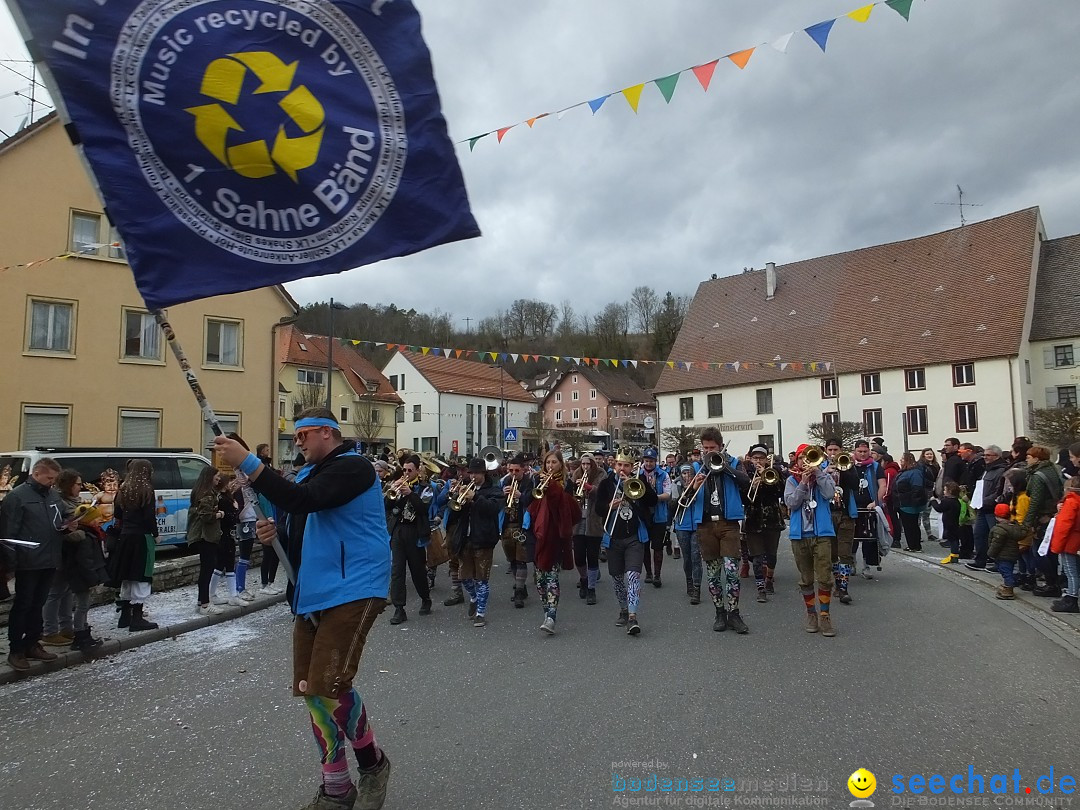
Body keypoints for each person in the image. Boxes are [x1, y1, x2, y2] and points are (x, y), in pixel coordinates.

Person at [215, 409, 392, 810]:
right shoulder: (308, 475)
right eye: (296, 437)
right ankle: (336, 787)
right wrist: (272, 535)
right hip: (313, 590)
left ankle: (373, 766)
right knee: (311, 691)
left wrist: (247, 460)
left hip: (355, 587)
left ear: (328, 434)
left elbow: (304, 501)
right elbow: (298, 524)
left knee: (328, 685)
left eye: (304, 435)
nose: (298, 442)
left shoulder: (354, 468)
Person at [1, 458, 67, 670]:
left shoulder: (53, 495)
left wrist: (70, 523)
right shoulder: (17, 497)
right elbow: (8, 533)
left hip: (49, 558)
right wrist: (10, 565)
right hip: (27, 561)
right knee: (23, 605)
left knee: (38, 603)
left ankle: (32, 643)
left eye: (54, 479)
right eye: (49, 478)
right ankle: (16, 650)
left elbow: (60, 518)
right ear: (36, 474)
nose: (52, 483)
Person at [686, 428, 751, 635]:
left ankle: (734, 613)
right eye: (705, 448)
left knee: (732, 572)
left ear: (720, 447)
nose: (707, 452)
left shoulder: (732, 463)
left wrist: (724, 467)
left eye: (712, 448)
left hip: (728, 523)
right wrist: (694, 487)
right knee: (713, 575)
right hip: (705, 524)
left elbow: (745, 482)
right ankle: (719, 613)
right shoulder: (697, 467)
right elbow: (685, 500)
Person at [40, 468, 108, 652]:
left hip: (73, 556)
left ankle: (66, 627)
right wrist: (76, 531)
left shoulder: (73, 502)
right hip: (62, 554)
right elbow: (56, 529)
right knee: (55, 593)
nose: (81, 487)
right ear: (69, 485)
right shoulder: (58, 502)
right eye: (78, 484)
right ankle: (50, 631)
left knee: (66, 592)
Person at [595, 448, 657, 635]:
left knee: (632, 576)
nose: (623, 469)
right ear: (614, 465)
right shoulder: (606, 484)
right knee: (617, 578)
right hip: (613, 536)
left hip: (635, 536)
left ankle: (632, 616)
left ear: (632, 467)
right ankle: (623, 608)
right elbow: (598, 509)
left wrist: (633, 485)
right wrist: (608, 506)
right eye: (620, 465)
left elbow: (652, 501)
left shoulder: (640, 480)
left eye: (627, 466)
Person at [524, 450, 581, 635]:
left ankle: (551, 616)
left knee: (552, 578)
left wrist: (553, 488)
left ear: (560, 464)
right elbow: (530, 502)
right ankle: (546, 612)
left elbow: (568, 509)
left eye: (554, 463)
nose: (550, 466)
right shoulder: (537, 481)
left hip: (555, 536)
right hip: (539, 534)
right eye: (547, 462)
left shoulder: (567, 483)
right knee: (540, 581)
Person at [784, 444, 838, 637]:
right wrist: (803, 484)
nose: (805, 462)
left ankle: (824, 615)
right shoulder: (791, 480)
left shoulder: (823, 477)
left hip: (822, 534)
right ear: (796, 461)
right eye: (801, 458)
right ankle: (811, 614)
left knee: (824, 577)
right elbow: (791, 503)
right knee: (806, 578)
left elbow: (830, 494)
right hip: (800, 536)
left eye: (809, 458)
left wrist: (819, 473)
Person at [447, 456, 503, 627]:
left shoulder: (493, 490)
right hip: (465, 538)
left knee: (482, 579)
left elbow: (492, 509)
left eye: (477, 473)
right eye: (471, 473)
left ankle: (480, 613)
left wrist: (475, 497)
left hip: (484, 539)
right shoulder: (464, 487)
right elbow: (454, 513)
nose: (473, 476)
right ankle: (473, 597)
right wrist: (456, 497)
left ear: (484, 473)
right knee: (464, 577)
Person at [107, 459, 160, 632]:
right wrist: (156, 534)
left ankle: (124, 616)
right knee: (141, 575)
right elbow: (148, 516)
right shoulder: (146, 490)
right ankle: (137, 618)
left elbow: (117, 513)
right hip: (141, 537)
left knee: (128, 575)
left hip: (125, 537)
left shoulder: (123, 489)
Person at [385, 455, 433, 625]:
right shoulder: (397, 484)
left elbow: (424, 509)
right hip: (398, 531)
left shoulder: (425, 488)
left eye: (410, 470)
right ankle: (399, 609)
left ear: (418, 470)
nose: (406, 473)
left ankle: (425, 598)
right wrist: (392, 491)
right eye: (404, 470)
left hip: (415, 532)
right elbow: (386, 507)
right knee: (397, 571)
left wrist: (411, 494)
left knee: (417, 570)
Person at [743, 445, 785, 603]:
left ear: (767, 459)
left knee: (771, 555)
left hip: (772, 518)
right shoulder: (746, 474)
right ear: (751, 459)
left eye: (761, 458)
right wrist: (750, 486)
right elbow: (743, 498)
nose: (758, 461)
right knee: (757, 556)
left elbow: (780, 491)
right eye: (755, 458)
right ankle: (760, 588)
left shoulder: (775, 473)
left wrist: (766, 480)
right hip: (753, 519)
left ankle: (769, 579)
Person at [1023, 446, 1065, 598]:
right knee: (1050, 551)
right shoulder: (1054, 470)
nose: (1027, 459)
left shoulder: (1038, 475)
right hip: (1053, 514)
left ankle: (1051, 584)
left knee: (1040, 552)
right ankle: (1053, 582)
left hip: (1043, 517)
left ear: (1037, 458)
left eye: (1029, 457)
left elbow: (1036, 501)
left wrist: (1028, 522)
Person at [187, 466, 226, 616]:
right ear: (209, 477)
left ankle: (200, 601)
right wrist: (219, 514)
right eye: (217, 476)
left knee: (206, 568)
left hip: (202, 536)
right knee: (207, 569)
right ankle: (205, 604)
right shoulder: (207, 494)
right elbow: (205, 515)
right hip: (205, 536)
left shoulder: (199, 491)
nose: (218, 478)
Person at [825, 438, 859, 604]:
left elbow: (855, 484)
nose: (833, 453)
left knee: (844, 553)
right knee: (831, 554)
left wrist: (843, 468)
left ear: (841, 450)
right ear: (825, 450)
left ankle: (843, 588)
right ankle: (836, 584)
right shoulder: (820, 465)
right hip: (827, 515)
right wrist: (825, 471)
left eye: (836, 450)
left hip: (845, 514)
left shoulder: (848, 465)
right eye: (830, 450)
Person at [499, 454, 534, 608]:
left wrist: (520, 496)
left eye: (516, 471)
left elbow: (533, 501)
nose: (513, 474)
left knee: (521, 559)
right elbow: (497, 503)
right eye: (511, 470)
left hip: (522, 525)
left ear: (523, 470)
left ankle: (519, 591)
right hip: (507, 525)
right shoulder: (505, 482)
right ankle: (520, 586)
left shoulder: (529, 483)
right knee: (512, 560)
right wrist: (502, 495)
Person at [571, 452, 605, 605]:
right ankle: (583, 579)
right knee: (578, 556)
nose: (585, 467)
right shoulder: (576, 474)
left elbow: (604, 493)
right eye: (583, 464)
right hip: (578, 521)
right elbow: (569, 494)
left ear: (593, 464)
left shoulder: (601, 474)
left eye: (588, 464)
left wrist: (590, 488)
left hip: (594, 520)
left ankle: (591, 588)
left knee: (592, 556)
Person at [967, 445, 1007, 572]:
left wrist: (985, 501)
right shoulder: (986, 470)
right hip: (982, 508)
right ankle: (980, 560)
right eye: (984, 455)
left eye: (988, 455)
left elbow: (998, 490)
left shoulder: (1001, 470)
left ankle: (998, 563)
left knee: (996, 537)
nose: (985, 458)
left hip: (992, 508)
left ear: (997, 456)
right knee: (979, 534)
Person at [1049, 457, 1080, 613]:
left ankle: (1072, 598)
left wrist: (1057, 545)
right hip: (1076, 541)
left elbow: (1063, 525)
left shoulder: (1071, 501)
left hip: (1070, 542)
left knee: (1071, 571)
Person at [851, 440, 886, 578]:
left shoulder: (875, 466)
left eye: (865, 452)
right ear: (855, 451)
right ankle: (851, 562)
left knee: (868, 538)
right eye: (860, 452)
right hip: (852, 506)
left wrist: (875, 502)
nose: (863, 454)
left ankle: (866, 566)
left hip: (869, 507)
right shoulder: (848, 465)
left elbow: (882, 485)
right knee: (851, 537)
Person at [638, 448, 672, 587]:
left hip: (659, 515)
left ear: (655, 461)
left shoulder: (663, 475)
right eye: (646, 461)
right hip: (643, 515)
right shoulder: (638, 474)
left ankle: (657, 575)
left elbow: (667, 494)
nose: (649, 463)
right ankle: (648, 573)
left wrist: (652, 498)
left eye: (651, 461)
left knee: (658, 547)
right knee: (644, 545)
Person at [671, 464, 702, 604]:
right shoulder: (676, 484)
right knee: (687, 557)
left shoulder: (700, 482)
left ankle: (697, 588)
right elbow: (672, 506)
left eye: (689, 473)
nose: (687, 476)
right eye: (684, 474)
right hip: (682, 525)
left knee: (696, 557)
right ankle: (689, 582)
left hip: (696, 524)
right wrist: (685, 491)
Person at [988, 502, 1029, 600]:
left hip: (1002, 555)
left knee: (1005, 571)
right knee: (1007, 570)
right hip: (1012, 555)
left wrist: (990, 554)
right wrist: (1024, 526)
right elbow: (1022, 534)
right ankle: (1008, 584)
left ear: (996, 516)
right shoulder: (1014, 528)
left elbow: (996, 544)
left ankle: (1009, 588)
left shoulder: (999, 530)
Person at [894, 452, 928, 552]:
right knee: (909, 525)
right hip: (904, 502)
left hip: (909, 504)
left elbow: (917, 488)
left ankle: (915, 545)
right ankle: (912, 544)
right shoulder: (905, 471)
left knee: (911, 525)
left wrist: (913, 501)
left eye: (902, 459)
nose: (900, 461)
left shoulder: (914, 472)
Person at [931, 482, 962, 564]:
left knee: (952, 539)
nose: (944, 492)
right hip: (954, 523)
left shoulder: (947, 501)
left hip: (949, 523)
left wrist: (933, 501)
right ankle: (954, 554)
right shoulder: (956, 501)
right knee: (954, 538)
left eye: (945, 490)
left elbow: (939, 508)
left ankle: (954, 555)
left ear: (950, 491)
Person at [917, 448, 941, 542]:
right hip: (924, 491)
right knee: (920, 514)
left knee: (927, 513)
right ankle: (917, 535)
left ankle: (929, 534)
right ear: (923, 455)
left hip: (932, 491)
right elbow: (921, 478)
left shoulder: (936, 465)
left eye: (931, 454)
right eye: (927, 454)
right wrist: (932, 483)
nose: (929, 456)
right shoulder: (921, 465)